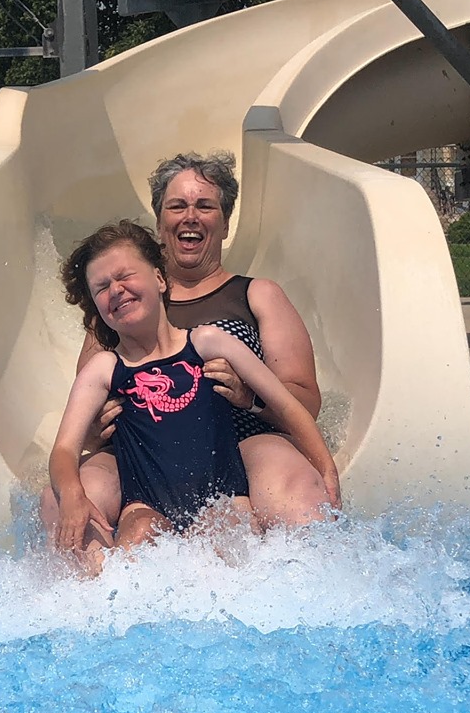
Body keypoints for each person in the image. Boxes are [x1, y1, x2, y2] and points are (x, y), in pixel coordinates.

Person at [42, 151, 331, 543]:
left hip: (242, 439)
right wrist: (94, 434)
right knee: (61, 500)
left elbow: (302, 400)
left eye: (205, 206)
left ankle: (309, 580)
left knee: (293, 493)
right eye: (176, 206)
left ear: (226, 222)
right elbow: (86, 407)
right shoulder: (122, 307)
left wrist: (249, 398)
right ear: (160, 224)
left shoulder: (255, 295)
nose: (190, 216)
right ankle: (78, 597)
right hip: (140, 452)